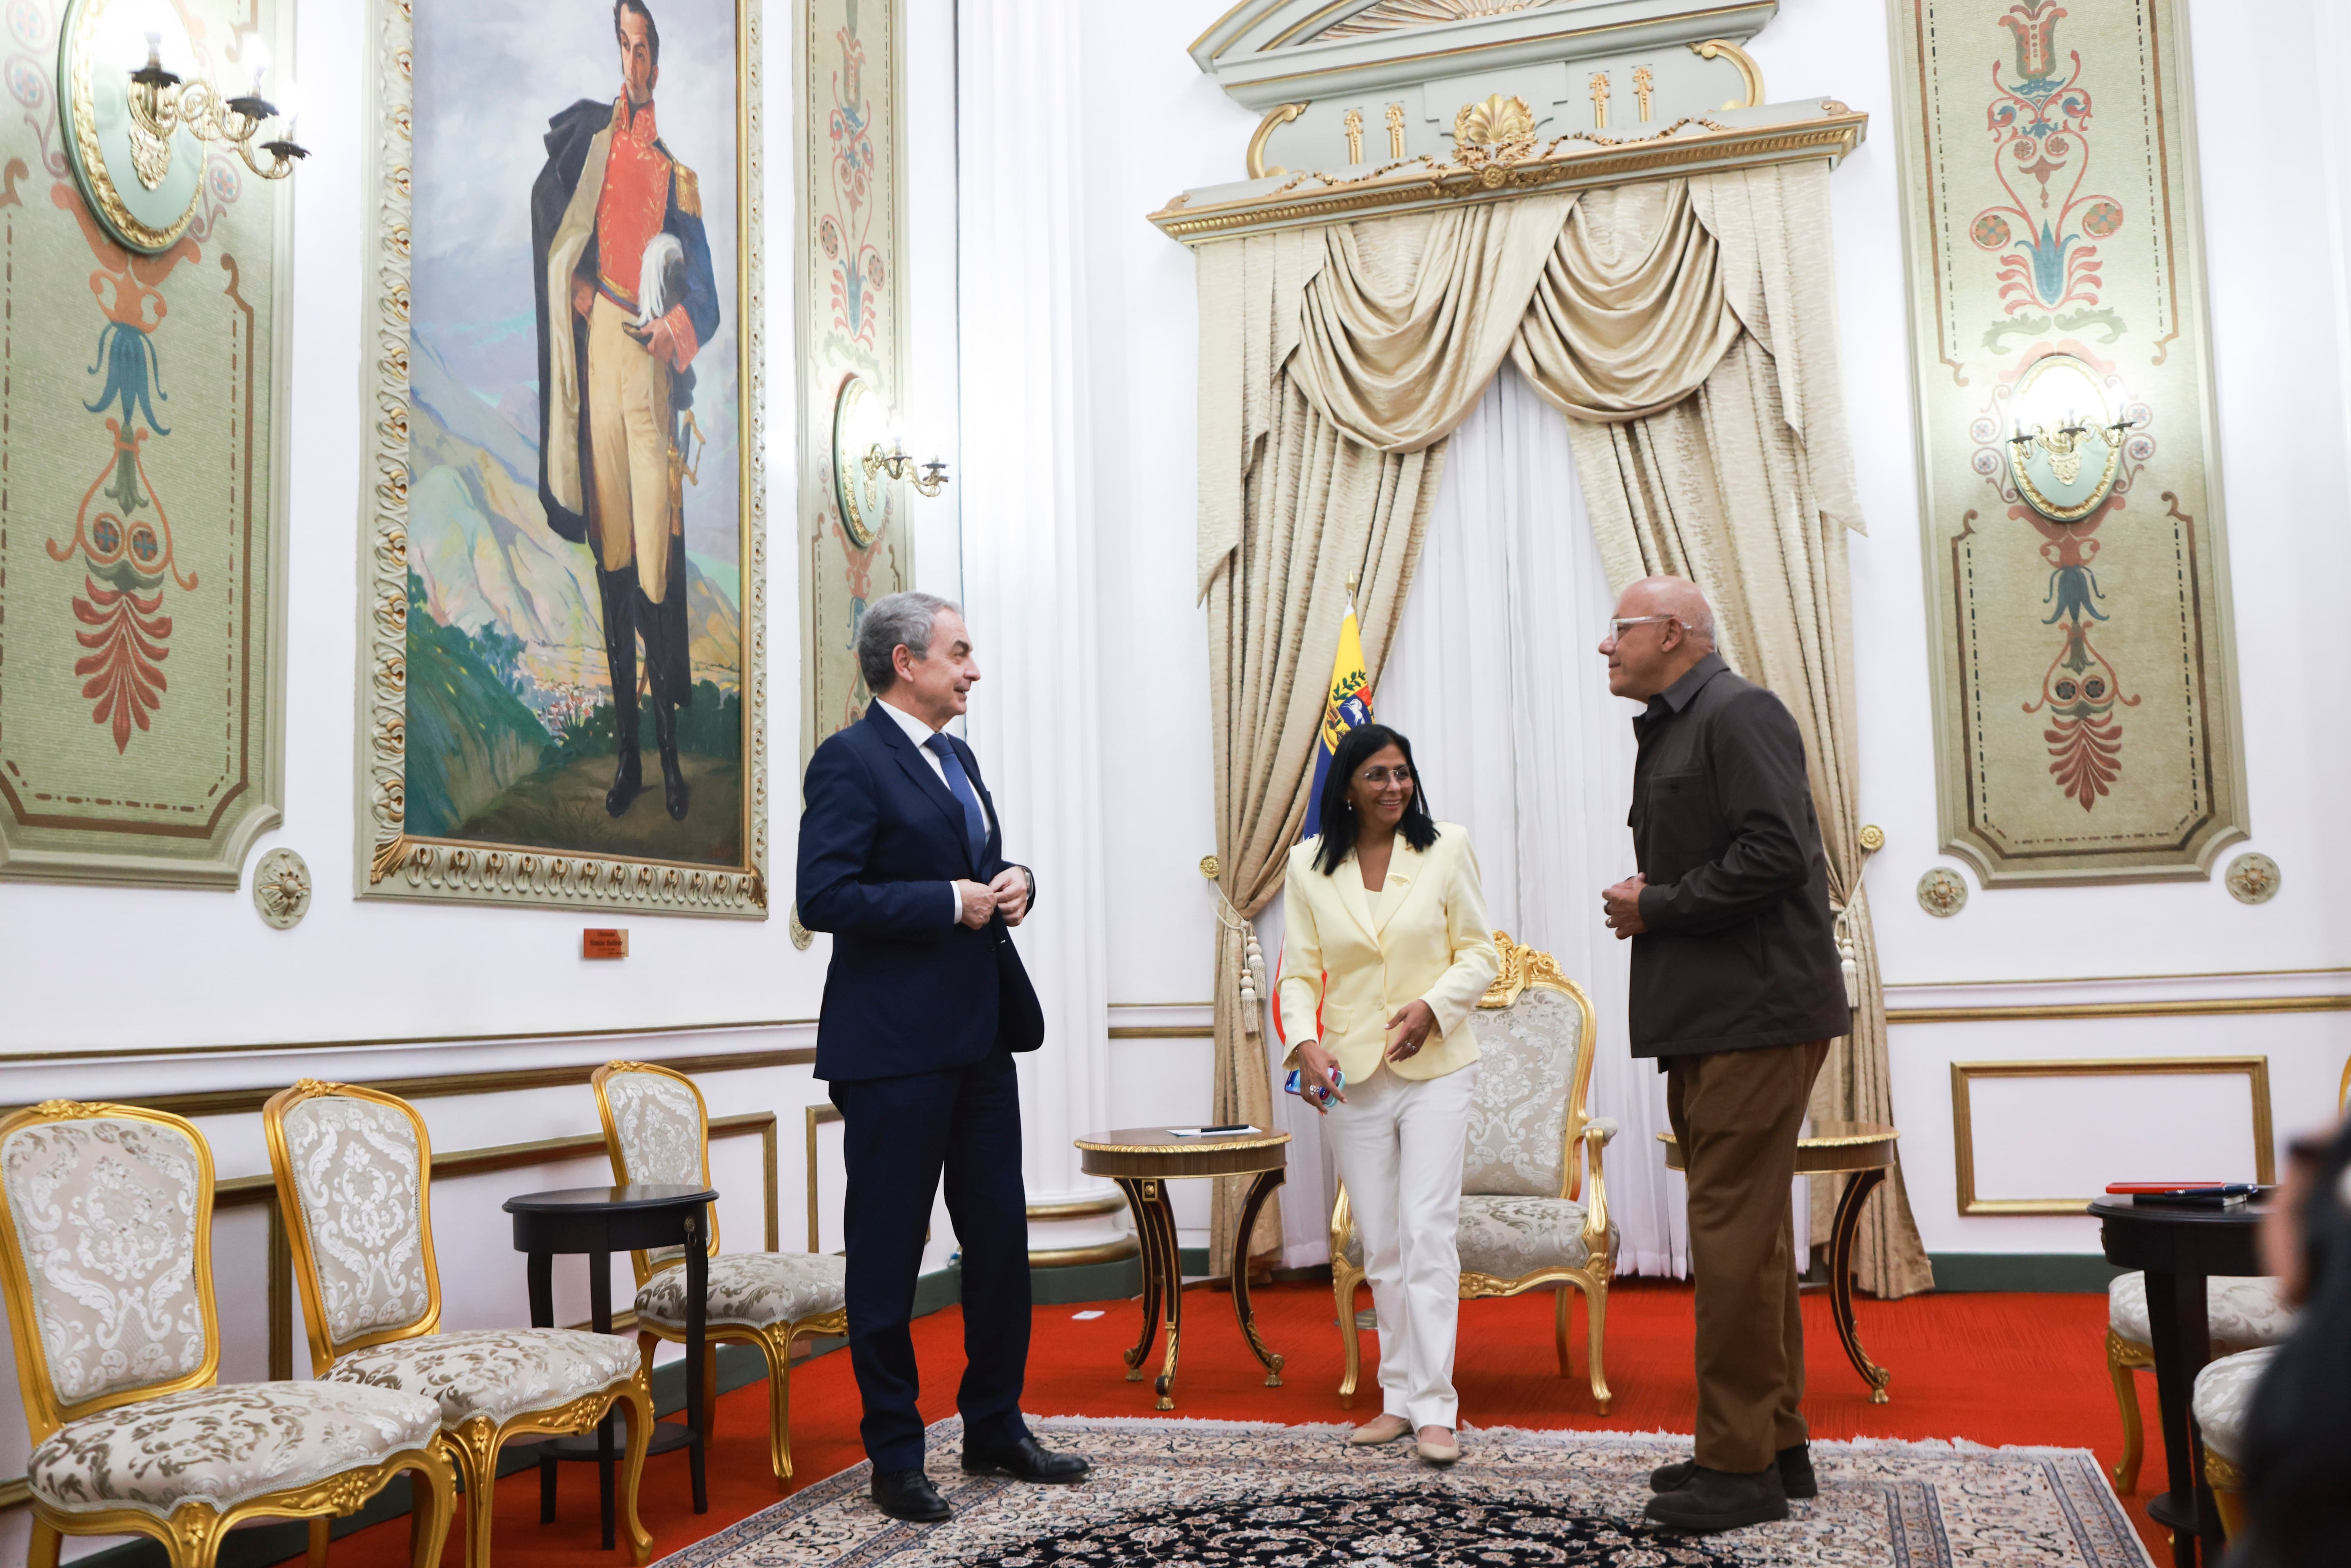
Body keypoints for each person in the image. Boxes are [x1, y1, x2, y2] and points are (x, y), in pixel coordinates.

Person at [795, 591, 1088, 1522]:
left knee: (999, 1240)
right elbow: (824, 897)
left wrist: (1015, 883)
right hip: (891, 1055)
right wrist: (940, 901)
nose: (971, 669)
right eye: (959, 653)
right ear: (904, 662)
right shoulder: (849, 761)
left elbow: (975, 865)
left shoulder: (955, 758)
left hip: (978, 1042)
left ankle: (995, 1426)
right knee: (886, 1256)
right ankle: (895, 1456)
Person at [1595, 576, 1850, 1532]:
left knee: (1731, 1240)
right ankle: (1772, 1446)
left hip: (1755, 1013)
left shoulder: (1738, 713)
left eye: (1618, 630)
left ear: (1673, 632)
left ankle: (1735, 1469)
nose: (1604, 647)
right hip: (1718, 1014)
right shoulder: (1676, 723)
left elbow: (1776, 853)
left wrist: (1653, 904)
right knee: (1749, 1240)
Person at [1280, 723, 1499, 1467]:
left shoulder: (1447, 848)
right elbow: (1300, 973)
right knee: (1381, 1241)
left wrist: (1433, 1007)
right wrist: (1303, 1043)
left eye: (1403, 773)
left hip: (1437, 1066)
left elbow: (1481, 953)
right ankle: (1399, 1398)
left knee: (1426, 1230)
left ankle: (1439, 1407)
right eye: (1377, 775)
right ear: (1347, 786)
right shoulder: (1307, 863)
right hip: (1349, 1073)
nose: (1394, 787)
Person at [531, 0, 721, 822]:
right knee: (611, 564)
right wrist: (574, 281)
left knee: (653, 570)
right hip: (599, 352)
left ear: (659, 62)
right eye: (625, 46)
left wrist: (673, 327)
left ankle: (672, 760)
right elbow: (557, 222)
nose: (634, 62)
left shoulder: (679, 177)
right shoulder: (594, 149)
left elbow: (706, 299)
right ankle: (630, 761)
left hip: (648, 372)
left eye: (645, 50)